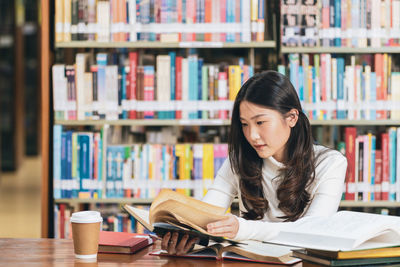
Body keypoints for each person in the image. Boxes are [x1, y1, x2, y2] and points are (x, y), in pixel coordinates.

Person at [161, 70, 347, 255]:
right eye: (244, 124)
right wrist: (188, 238)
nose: (252, 136)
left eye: (260, 122)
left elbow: (312, 231)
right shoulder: (240, 158)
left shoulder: (330, 164)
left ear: (292, 118)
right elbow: (208, 212)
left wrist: (244, 229)